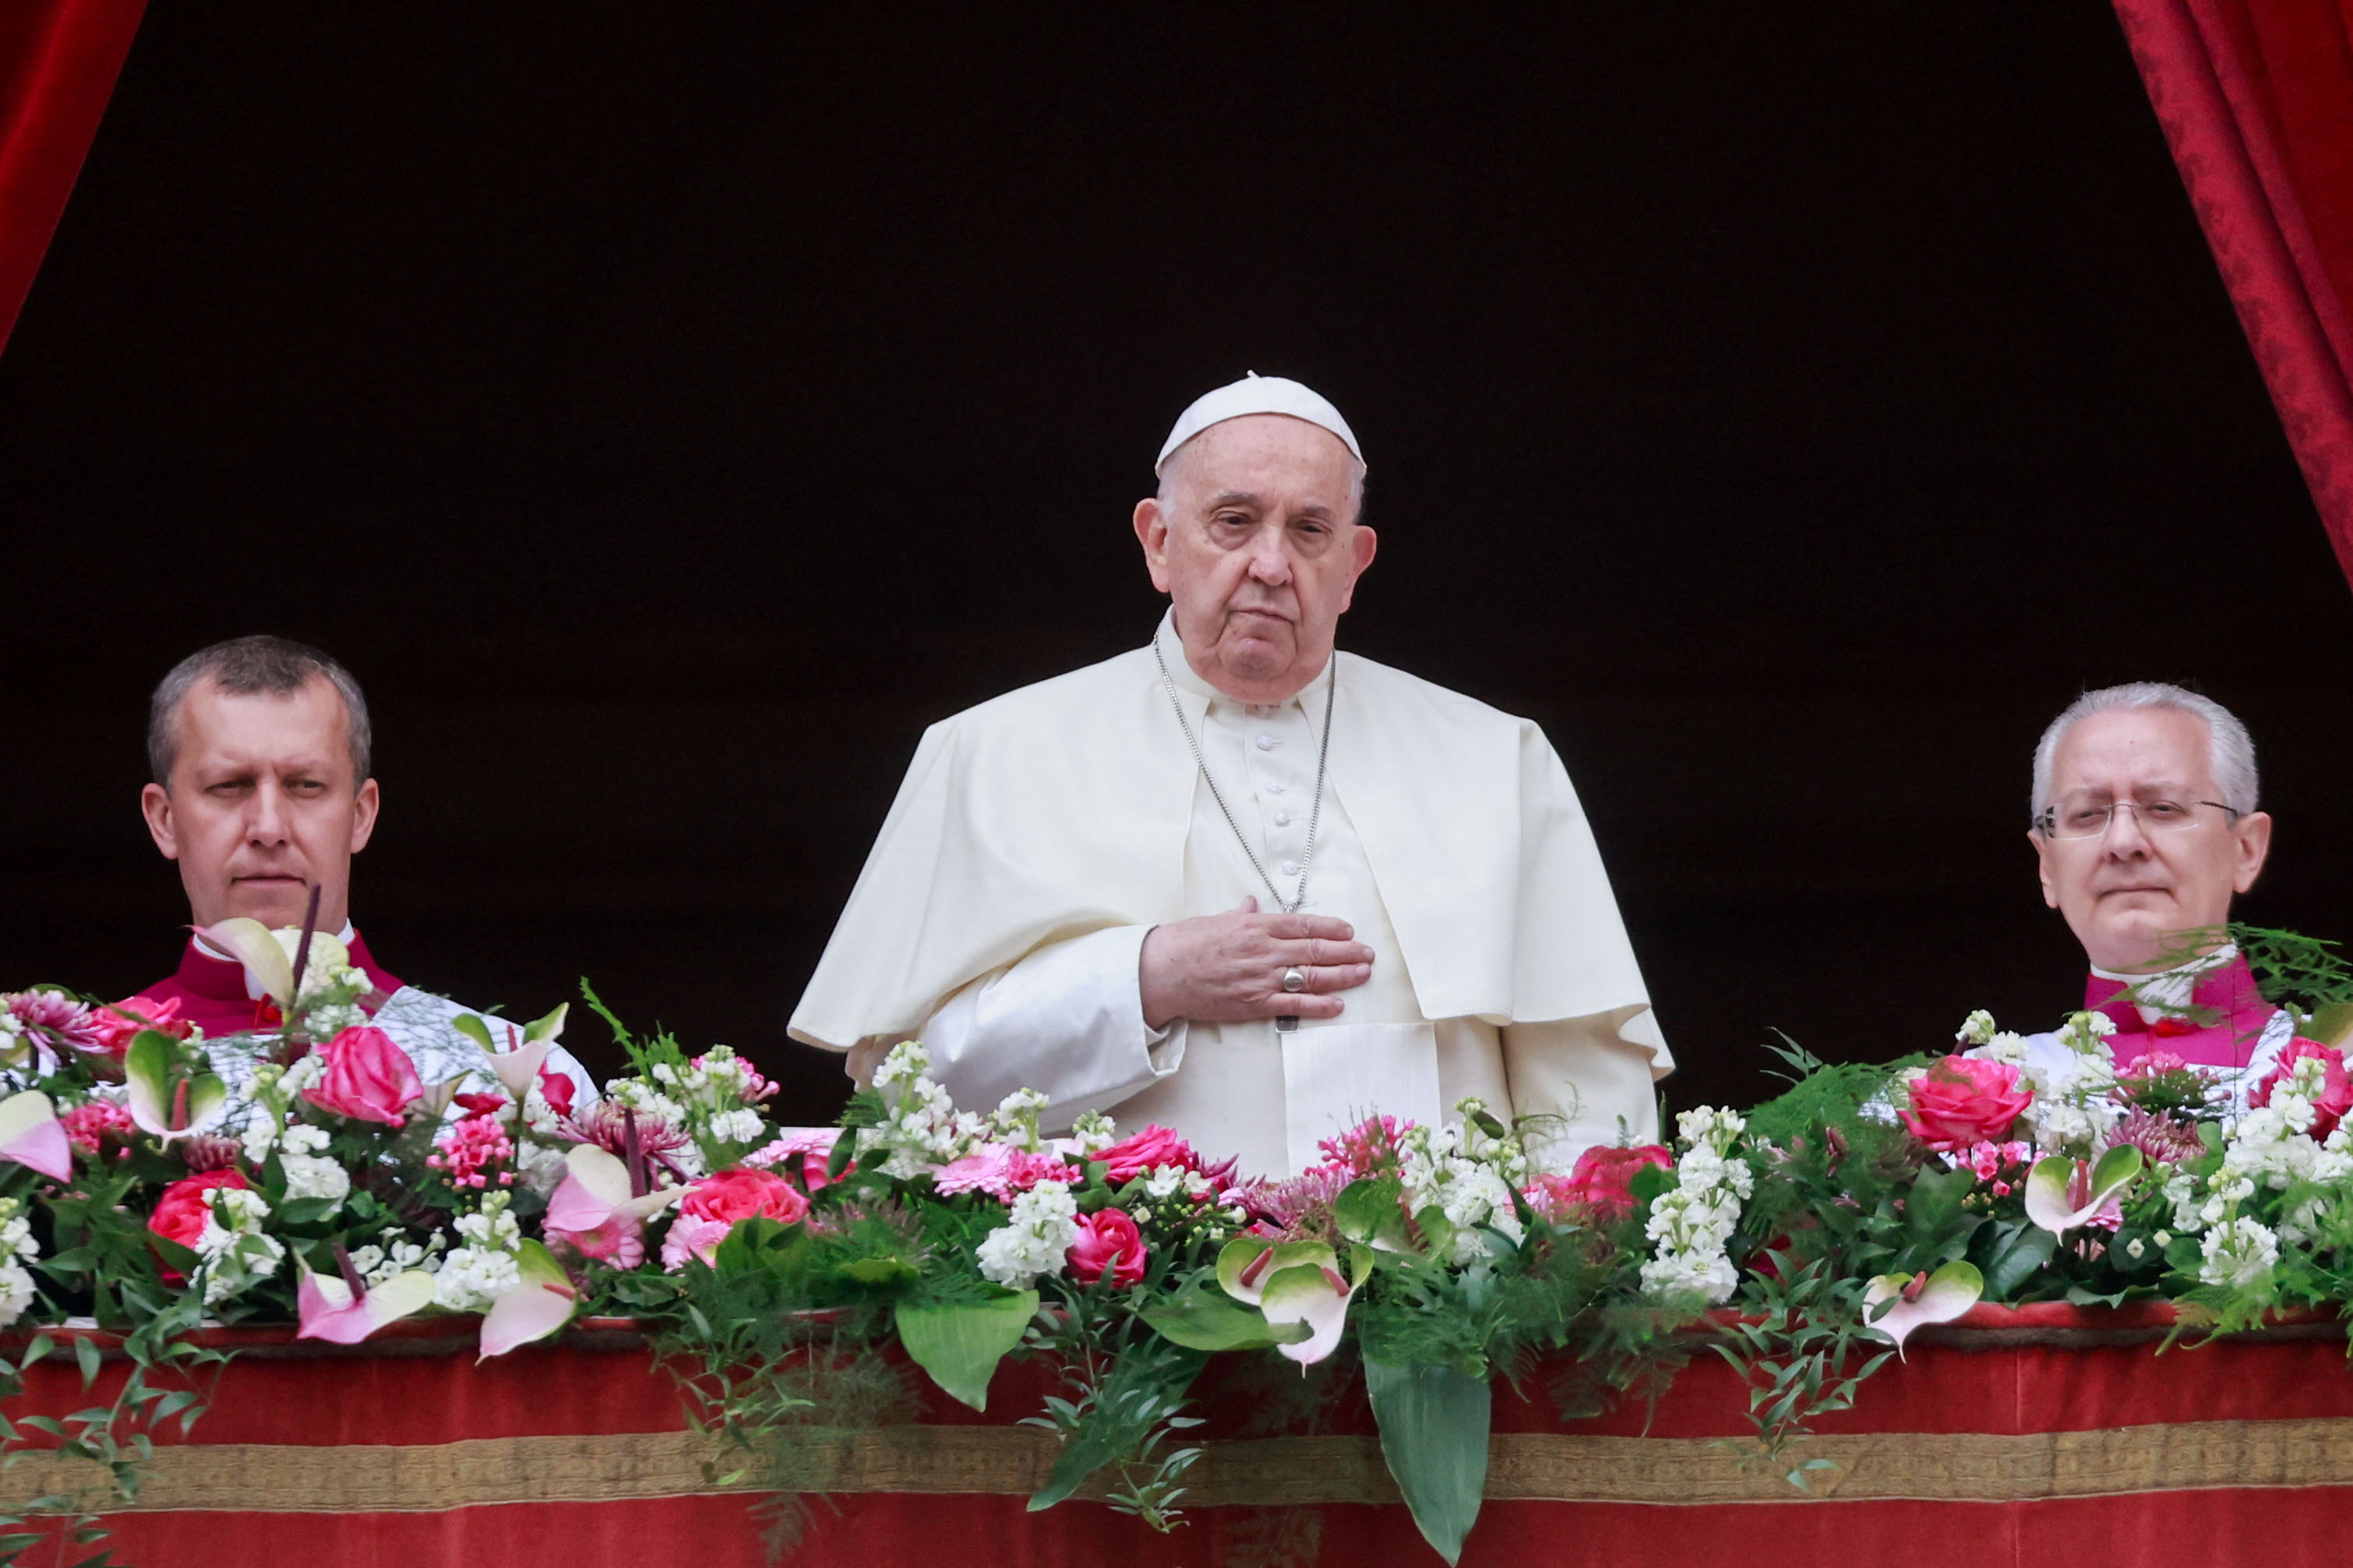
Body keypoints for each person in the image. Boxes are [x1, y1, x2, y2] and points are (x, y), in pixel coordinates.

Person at [792, 374, 1670, 1175]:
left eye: (1309, 529)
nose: (1271, 565)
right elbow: (910, 1094)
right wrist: (1144, 981)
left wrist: (1578, 1287)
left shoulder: (1493, 757)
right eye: (1234, 521)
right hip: (1111, 1327)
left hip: (1439, 1317)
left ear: (1353, 566)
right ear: (1158, 542)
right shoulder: (991, 751)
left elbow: (1583, 1093)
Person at [122, 635, 591, 1102]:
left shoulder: (522, 1078)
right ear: (164, 820)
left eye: (306, 785)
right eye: (228, 785)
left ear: (361, 815)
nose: (268, 827)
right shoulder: (77, 1079)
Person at [2027, 682, 2288, 1080]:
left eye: (2164, 808)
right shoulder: (1985, 1096)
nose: (2123, 842)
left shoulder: (2331, 1068)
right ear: (2047, 866)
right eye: (2087, 815)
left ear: (2246, 850)